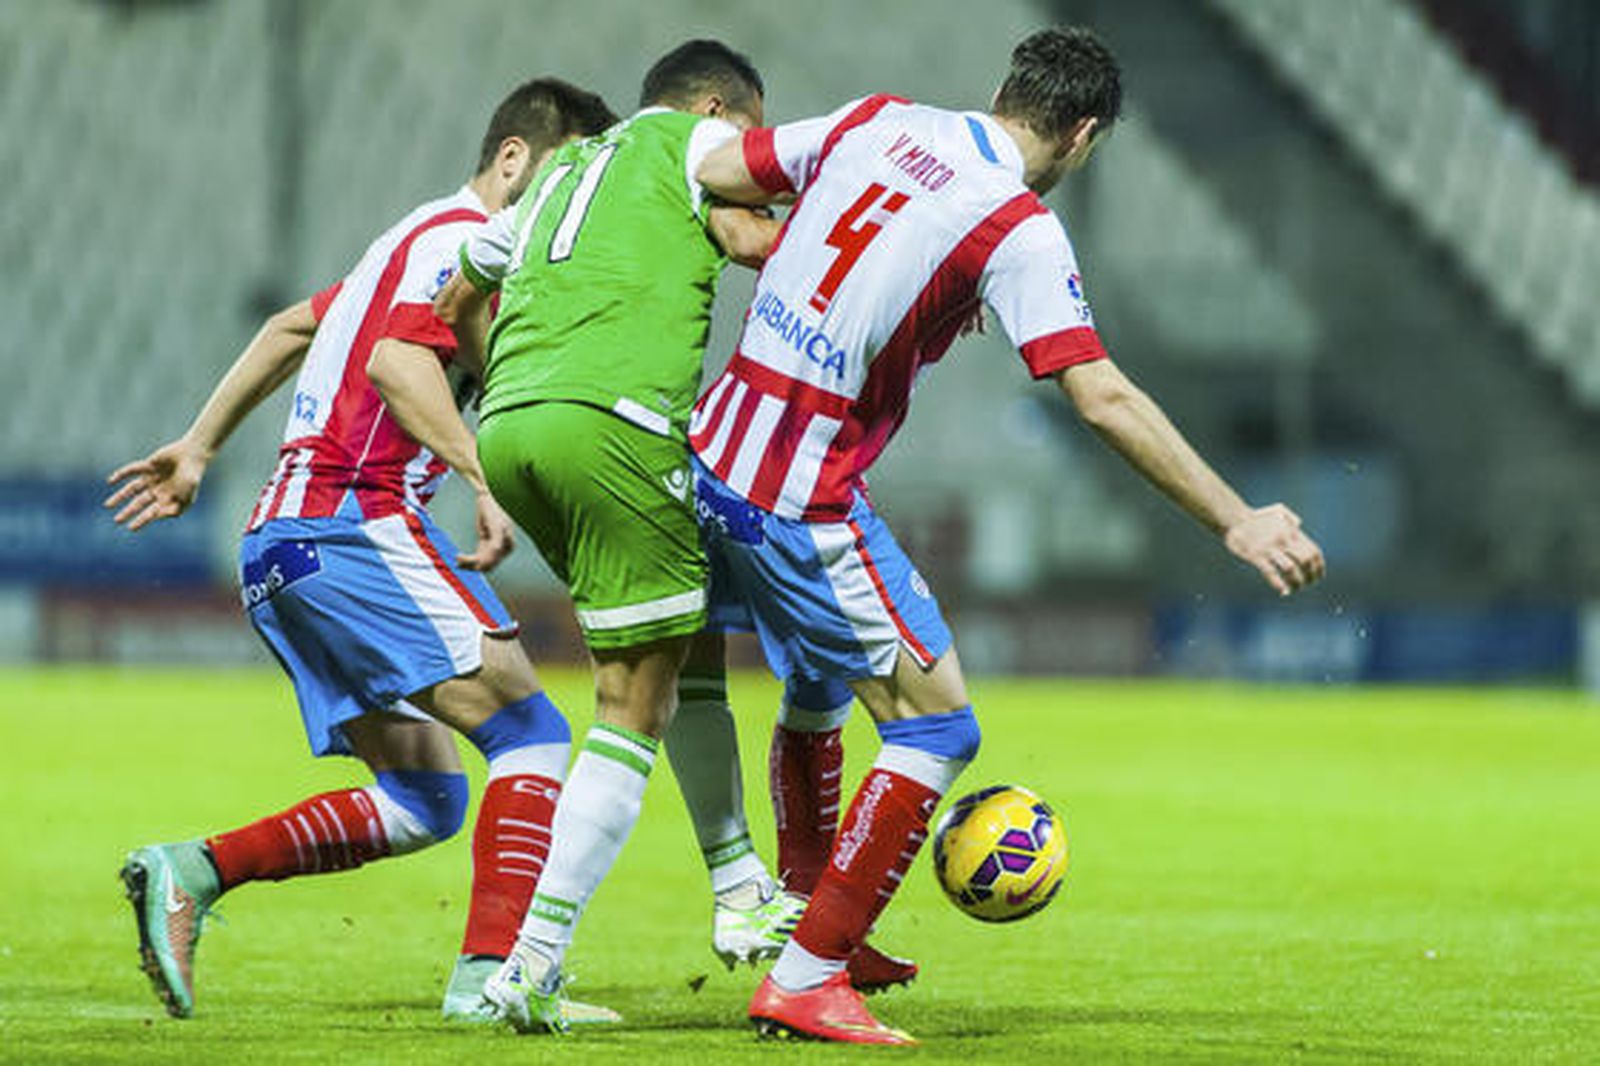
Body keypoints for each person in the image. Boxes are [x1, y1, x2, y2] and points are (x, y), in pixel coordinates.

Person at [688, 25, 1328, 1045]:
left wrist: (799, 246)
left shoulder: (878, 120)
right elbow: (1103, 397)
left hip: (712, 450)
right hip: (795, 492)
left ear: (1000, 89)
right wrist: (1237, 517)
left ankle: (825, 928)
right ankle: (806, 976)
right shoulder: (1014, 226)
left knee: (816, 686)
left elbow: (717, 166)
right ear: (1081, 136)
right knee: (937, 727)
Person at [105, 78, 623, 1024]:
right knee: (534, 737)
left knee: (426, 796)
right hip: (355, 526)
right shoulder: (461, 245)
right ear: (513, 158)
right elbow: (398, 360)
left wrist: (201, 446)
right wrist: (477, 473)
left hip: (281, 545)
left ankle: (191, 871)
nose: (567, 204)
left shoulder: (406, 240)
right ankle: (492, 983)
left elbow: (290, 328)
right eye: (563, 176)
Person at [435, 40, 835, 1034]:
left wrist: (502, 381)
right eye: (743, 135)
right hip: (612, 422)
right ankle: (531, 964)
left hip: (516, 426)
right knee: (631, 700)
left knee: (684, 635)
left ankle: (739, 883)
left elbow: (461, 283)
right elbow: (754, 241)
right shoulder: (696, 145)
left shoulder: (570, 167)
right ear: (713, 110)